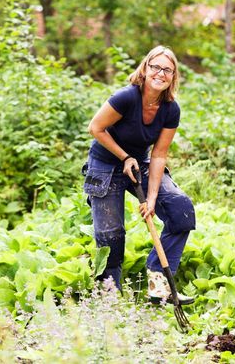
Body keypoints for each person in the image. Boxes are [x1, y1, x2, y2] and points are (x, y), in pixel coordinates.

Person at [82, 45, 196, 303]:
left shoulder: (170, 109)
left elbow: (158, 155)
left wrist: (152, 197)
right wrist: (124, 156)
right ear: (145, 68)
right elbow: (96, 128)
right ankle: (109, 296)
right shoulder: (126, 97)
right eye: (155, 66)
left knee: (180, 210)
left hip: (141, 163)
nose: (160, 73)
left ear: (173, 76)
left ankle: (158, 283)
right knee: (111, 234)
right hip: (105, 164)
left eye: (167, 69)